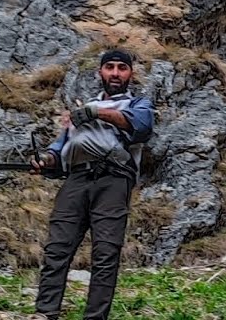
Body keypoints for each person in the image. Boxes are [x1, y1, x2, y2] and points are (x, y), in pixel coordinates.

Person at [30, 48, 155, 320]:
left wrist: (96, 112)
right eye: (109, 67)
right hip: (76, 179)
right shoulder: (81, 110)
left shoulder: (137, 104)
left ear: (130, 73)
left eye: (121, 68)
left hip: (114, 179)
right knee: (56, 249)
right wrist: (46, 159)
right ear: (100, 72)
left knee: (105, 253)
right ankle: (45, 313)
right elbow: (59, 147)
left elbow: (142, 127)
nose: (115, 73)